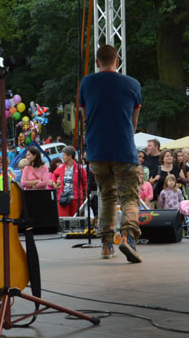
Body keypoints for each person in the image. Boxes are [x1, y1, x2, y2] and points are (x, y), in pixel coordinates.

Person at [80, 44, 143, 262]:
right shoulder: (133, 84)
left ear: (97, 62)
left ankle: (107, 246)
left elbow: (85, 117)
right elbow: (133, 122)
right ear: (117, 61)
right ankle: (128, 236)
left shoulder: (87, 83)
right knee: (129, 197)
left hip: (97, 151)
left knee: (107, 195)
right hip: (124, 149)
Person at [52, 146, 87, 218]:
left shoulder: (80, 168)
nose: (62, 157)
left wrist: (86, 197)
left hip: (77, 198)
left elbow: (85, 184)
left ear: (70, 156)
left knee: (76, 220)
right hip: (63, 198)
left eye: (64, 155)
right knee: (63, 219)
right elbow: (54, 175)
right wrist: (54, 183)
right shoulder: (61, 167)